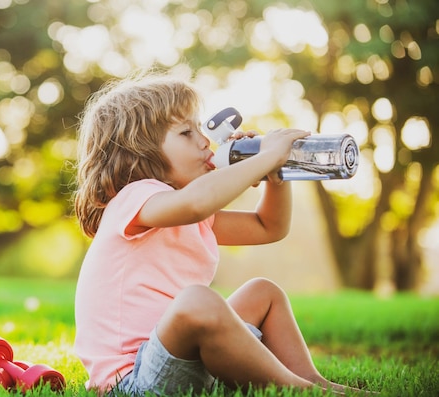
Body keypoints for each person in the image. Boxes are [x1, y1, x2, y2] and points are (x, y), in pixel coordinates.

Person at [73, 71, 365, 395]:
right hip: (133, 382)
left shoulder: (191, 215)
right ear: (139, 152)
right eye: (186, 132)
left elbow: (269, 227)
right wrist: (265, 156)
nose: (204, 141)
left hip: (184, 361)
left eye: (200, 128)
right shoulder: (134, 197)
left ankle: (310, 382)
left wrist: (273, 173)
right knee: (197, 301)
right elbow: (198, 201)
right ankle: (304, 392)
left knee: (262, 293)